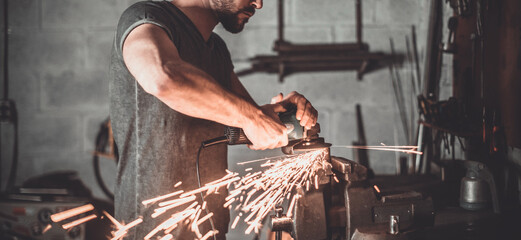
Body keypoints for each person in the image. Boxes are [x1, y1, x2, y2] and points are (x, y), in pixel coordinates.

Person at [109, 0, 318, 239]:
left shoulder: (216, 49)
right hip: (153, 231)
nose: (258, 4)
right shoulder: (146, 19)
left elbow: (244, 116)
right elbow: (164, 78)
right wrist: (253, 118)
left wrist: (282, 115)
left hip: (209, 228)